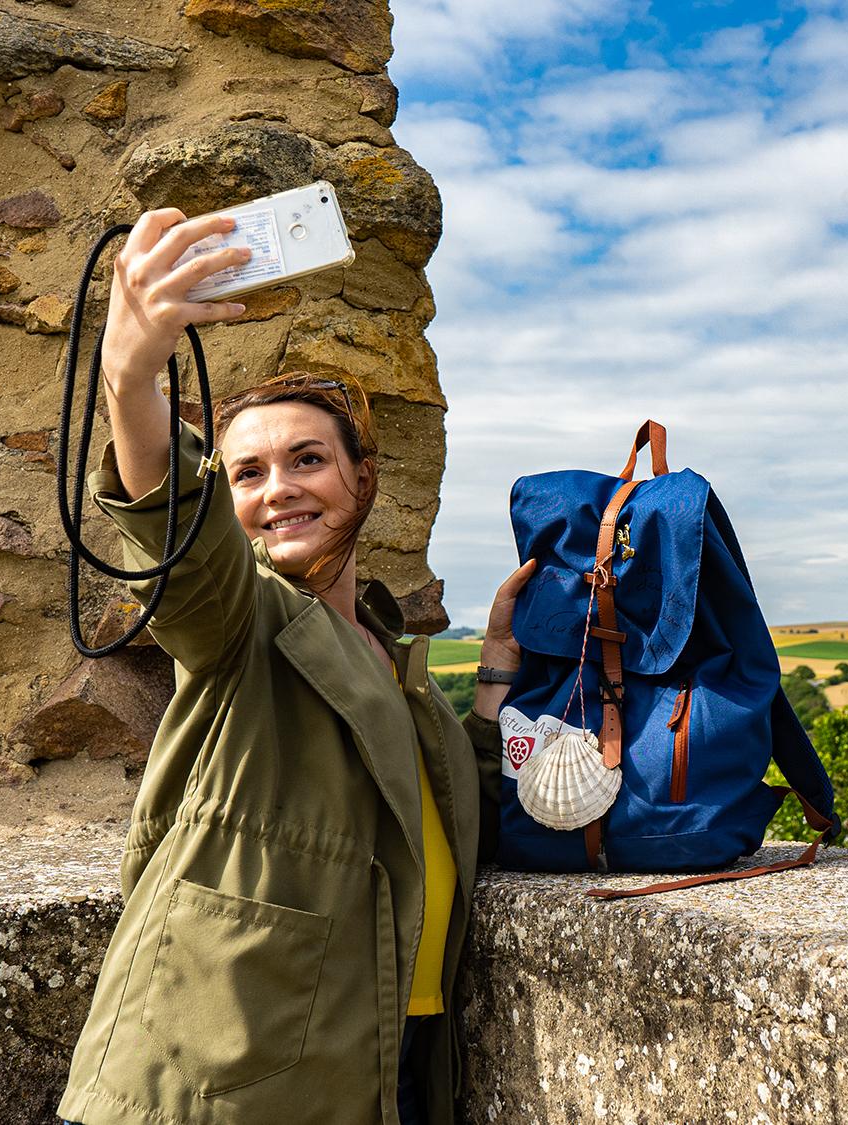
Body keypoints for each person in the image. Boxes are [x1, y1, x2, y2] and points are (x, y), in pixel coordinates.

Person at [54, 208, 533, 1125]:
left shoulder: (393, 654)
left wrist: (500, 665)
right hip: (215, 1093)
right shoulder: (242, 623)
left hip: (382, 1064)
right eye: (246, 474)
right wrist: (129, 377)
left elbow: (453, 810)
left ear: (362, 477)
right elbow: (179, 539)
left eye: (307, 459)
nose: (277, 488)